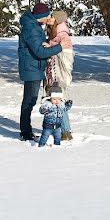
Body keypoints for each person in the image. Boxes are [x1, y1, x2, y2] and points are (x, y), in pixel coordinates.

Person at [18, 1, 69, 141]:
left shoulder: (33, 26)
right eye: (47, 15)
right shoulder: (32, 29)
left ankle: (26, 131)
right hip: (32, 69)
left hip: (34, 67)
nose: (49, 18)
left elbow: (38, 46)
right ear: (42, 16)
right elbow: (39, 52)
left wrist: (47, 43)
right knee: (29, 101)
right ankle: (25, 133)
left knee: (30, 100)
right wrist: (60, 47)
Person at [44, 10, 75, 140]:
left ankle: (66, 131)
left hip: (58, 74)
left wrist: (51, 49)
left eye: (52, 16)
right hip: (53, 72)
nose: (49, 18)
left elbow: (67, 55)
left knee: (58, 100)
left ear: (57, 20)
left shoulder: (62, 34)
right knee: (56, 100)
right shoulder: (54, 32)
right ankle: (62, 130)